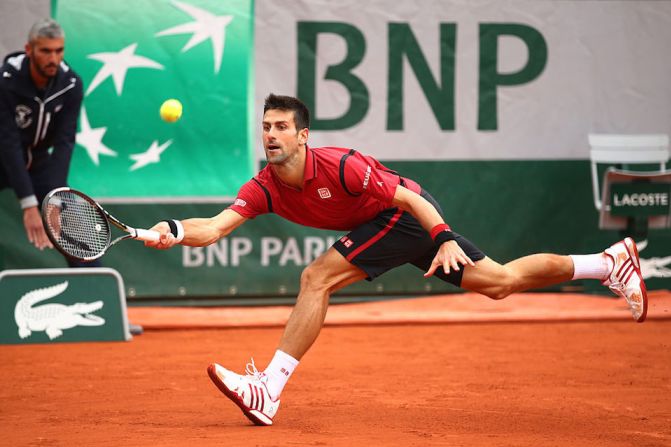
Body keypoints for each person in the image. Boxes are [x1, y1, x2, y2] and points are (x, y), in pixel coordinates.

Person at [146, 93, 648, 426]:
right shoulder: (263, 187)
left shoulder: (342, 165)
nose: (270, 135)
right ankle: (607, 262)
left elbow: (410, 198)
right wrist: (172, 231)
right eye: (265, 128)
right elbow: (213, 228)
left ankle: (268, 390)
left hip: (406, 218)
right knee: (499, 281)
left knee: (315, 277)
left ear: (303, 135)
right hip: (397, 230)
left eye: (281, 127)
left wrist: (444, 236)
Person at [0, 18, 98, 268]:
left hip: (40, 164)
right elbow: (8, 142)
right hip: (3, 158)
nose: (53, 58)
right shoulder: (5, 81)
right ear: (29, 50)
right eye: (45, 51)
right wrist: (29, 204)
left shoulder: (71, 85)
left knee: (78, 235)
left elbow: (65, 142)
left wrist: (53, 200)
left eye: (58, 50)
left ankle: (98, 296)